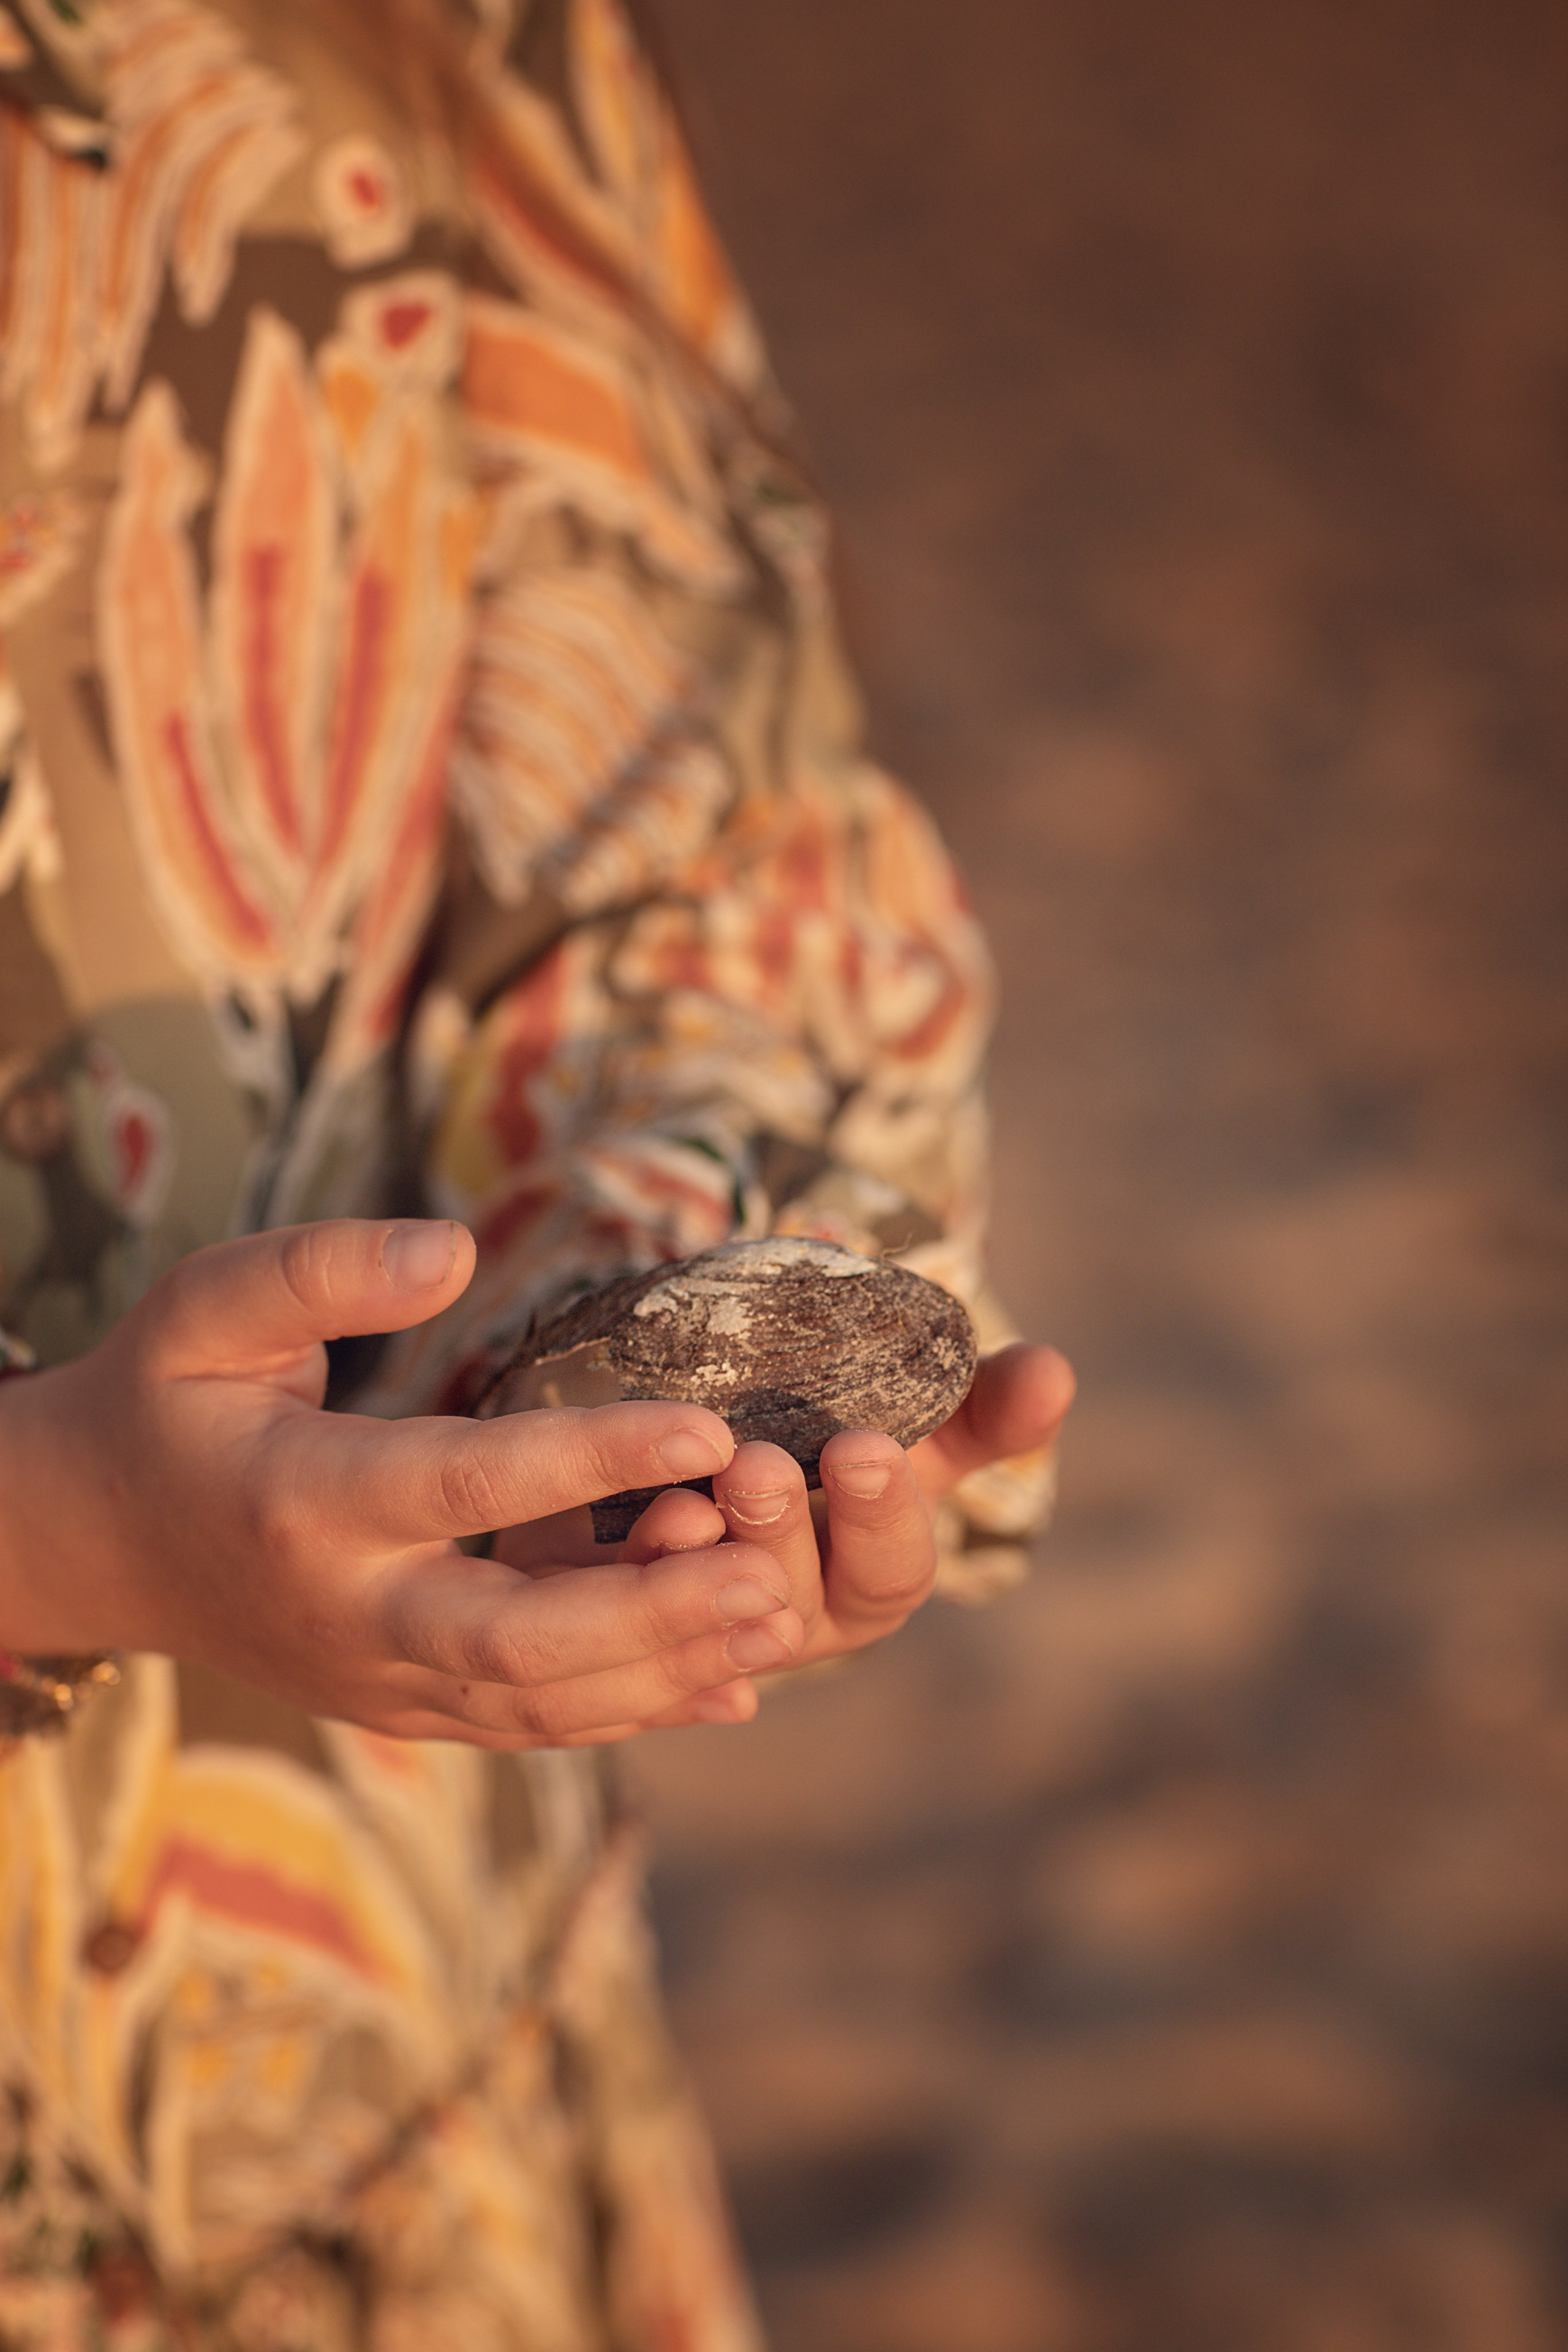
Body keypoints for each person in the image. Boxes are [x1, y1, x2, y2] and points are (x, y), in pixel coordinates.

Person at [0, 0, 1073, 2342]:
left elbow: (690, 819)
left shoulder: (428, 32)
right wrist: (55, 1525)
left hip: (394, 2084)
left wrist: (598, 1329)